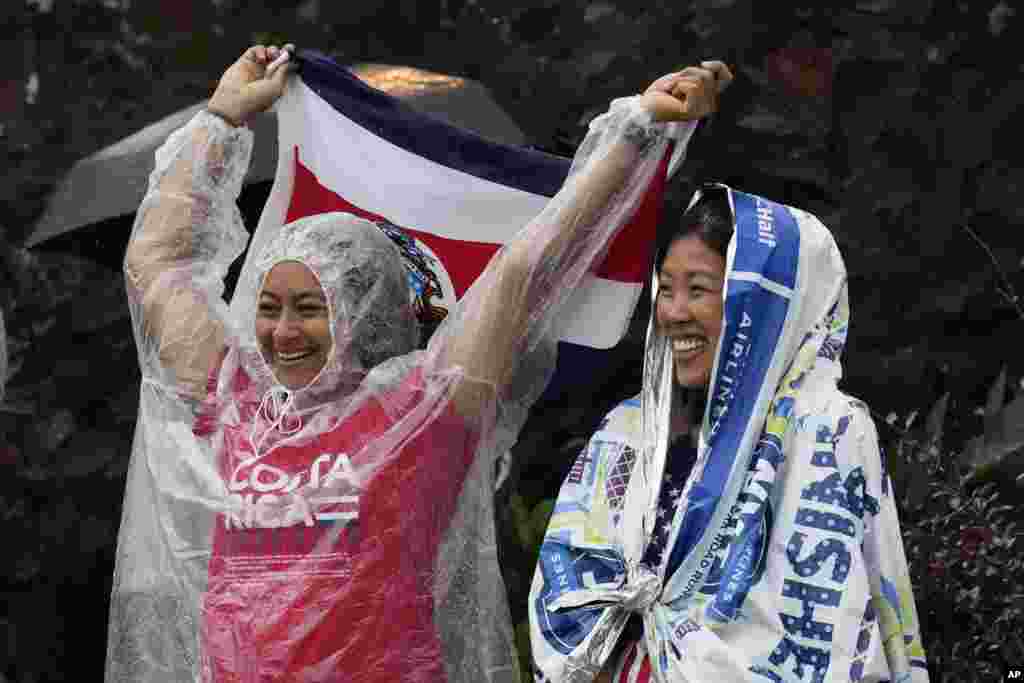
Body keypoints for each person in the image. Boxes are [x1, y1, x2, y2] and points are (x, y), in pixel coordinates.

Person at [105, 44, 732, 682]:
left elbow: (523, 273)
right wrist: (222, 120)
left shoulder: (418, 414)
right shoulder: (237, 402)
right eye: (268, 307)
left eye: (309, 307)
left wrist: (636, 132)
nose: (283, 331)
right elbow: (156, 266)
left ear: (363, 308)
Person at [529, 187, 929, 682]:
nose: (673, 312)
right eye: (666, 288)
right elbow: (565, 584)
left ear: (759, 308)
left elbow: (827, 623)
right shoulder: (627, 430)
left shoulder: (826, 429)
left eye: (698, 289)